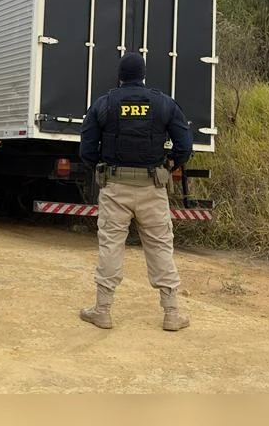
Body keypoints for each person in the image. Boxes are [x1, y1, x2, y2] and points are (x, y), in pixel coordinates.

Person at [77, 52, 193, 331]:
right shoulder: (163, 104)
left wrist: (102, 168)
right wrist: (170, 162)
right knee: (160, 247)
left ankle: (102, 311)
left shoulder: (104, 104)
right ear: (142, 76)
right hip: (152, 188)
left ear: (120, 76)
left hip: (115, 188)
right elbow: (184, 145)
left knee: (110, 246)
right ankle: (171, 314)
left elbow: (86, 150)